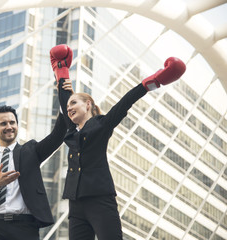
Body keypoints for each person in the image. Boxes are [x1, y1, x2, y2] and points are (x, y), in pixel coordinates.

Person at [50, 44, 186, 240]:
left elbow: (125, 102)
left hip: (100, 200)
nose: (69, 108)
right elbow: (64, 101)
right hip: (76, 203)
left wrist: (154, 81)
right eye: (68, 105)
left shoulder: (102, 125)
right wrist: (61, 70)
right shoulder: (72, 132)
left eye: (74, 103)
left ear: (88, 105)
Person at [0, 84, 73, 240]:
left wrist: (64, 100)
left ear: (17, 125)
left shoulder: (30, 151)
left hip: (24, 227)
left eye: (12, 122)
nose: (9, 126)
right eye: (3, 124)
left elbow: (57, 136)